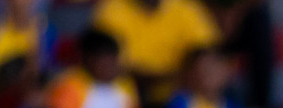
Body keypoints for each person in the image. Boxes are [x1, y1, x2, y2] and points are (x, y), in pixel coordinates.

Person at [91, 0, 221, 101]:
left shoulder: (186, 8)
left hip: (177, 96)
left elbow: (208, 55)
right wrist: (172, 78)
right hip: (129, 98)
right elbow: (111, 68)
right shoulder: (112, 10)